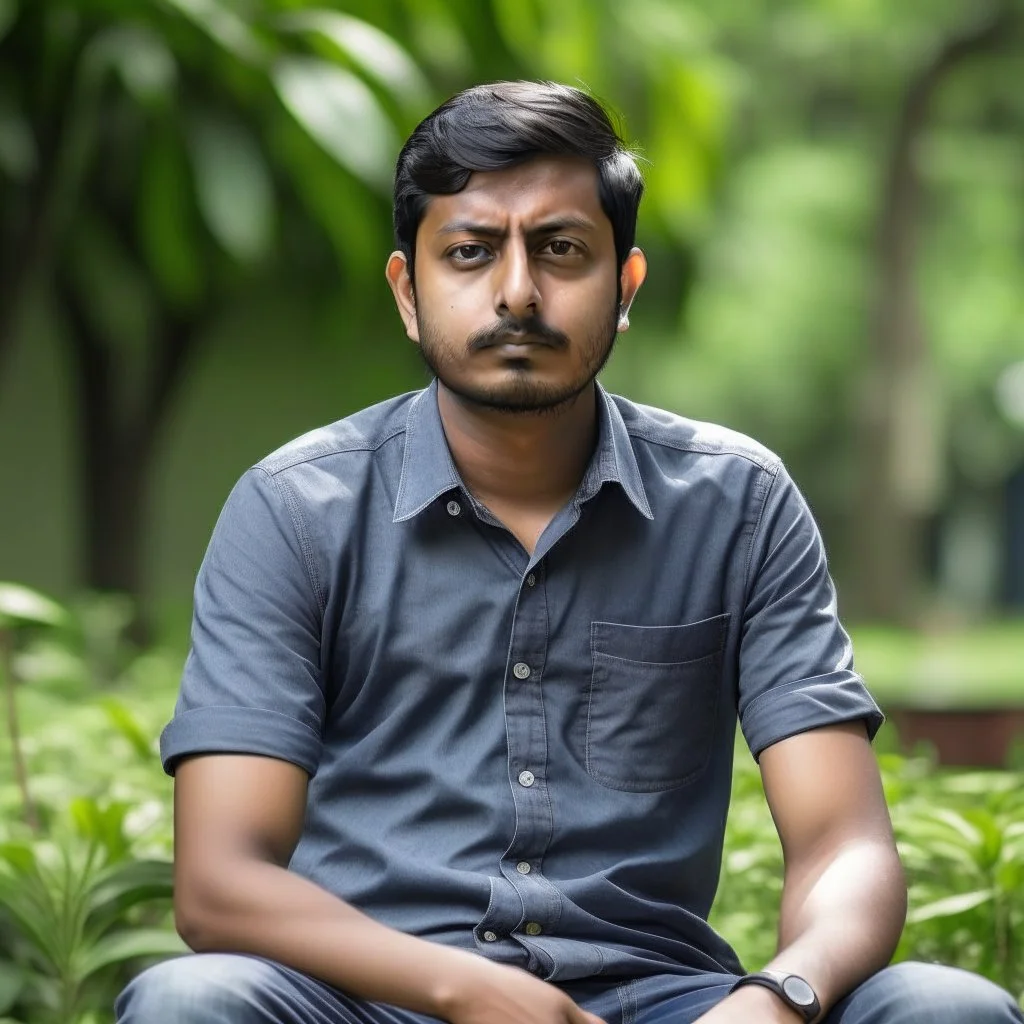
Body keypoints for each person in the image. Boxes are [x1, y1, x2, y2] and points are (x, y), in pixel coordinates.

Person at [115, 81, 1023, 1024]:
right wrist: (467, 990)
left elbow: (845, 847)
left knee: (944, 1007)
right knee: (195, 1001)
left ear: (624, 286)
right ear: (408, 293)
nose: (516, 290)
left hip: (664, 1006)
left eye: (561, 250)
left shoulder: (737, 505)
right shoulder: (295, 510)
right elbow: (220, 883)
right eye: (469, 252)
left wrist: (777, 1000)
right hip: (370, 1001)